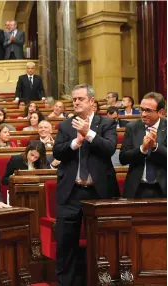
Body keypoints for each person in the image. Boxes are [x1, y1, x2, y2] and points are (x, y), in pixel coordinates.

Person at [53, 83, 119, 286]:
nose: (76, 102)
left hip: (98, 194)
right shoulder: (65, 125)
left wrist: (88, 134)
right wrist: (76, 142)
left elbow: (109, 149)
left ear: (92, 101)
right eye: (73, 100)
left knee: (102, 244)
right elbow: (57, 152)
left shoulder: (105, 123)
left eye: (80, 99)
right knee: (66, 246)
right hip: (70, 194)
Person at [119, 92, 167, 198]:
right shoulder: (132, 127)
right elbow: (122, 158)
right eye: (142, 109)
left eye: (148, 111)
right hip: (137, 189)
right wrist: (142, 149)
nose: (143, 114)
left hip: (163, 189)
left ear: (160, 112)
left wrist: (155, 147)